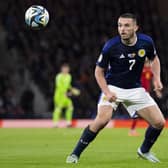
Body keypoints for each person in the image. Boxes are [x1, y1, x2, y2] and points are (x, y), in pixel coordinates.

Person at [66, 13, 165, 163]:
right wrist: (107, 91)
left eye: (126, 25)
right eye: (120, 25)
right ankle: (75, 154)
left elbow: (154, 59)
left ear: (135, 27)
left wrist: (157, 79)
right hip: (113, 87)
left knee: (159, 122)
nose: (122, 29)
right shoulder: (111, 46)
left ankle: (144, 150)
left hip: (135, 89)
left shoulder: (146, 42)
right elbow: (98, 72)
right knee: (102, 120)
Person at [128, 59, 153, 136]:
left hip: (145, 94)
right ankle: (132, 130)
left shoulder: (149, 72)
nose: (149, 64)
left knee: (147, 112)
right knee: (139, 112)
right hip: (139, 93)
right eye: (148, 63)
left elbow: (149, 81)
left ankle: (149, 128)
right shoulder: (142, 71)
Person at [53, 63, 76, 127]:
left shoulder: (69, 76)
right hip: (59, 95)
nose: (66, 70)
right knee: (58, 109)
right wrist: (64, 93)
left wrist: (72, 90)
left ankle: (68, 123)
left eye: (67, 69)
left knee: (70, 107)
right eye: (64, 69)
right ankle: (55, 123)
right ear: (62, 69)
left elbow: (68, 85)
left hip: (65, 95)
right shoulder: (59, 76)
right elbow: (58, 85)